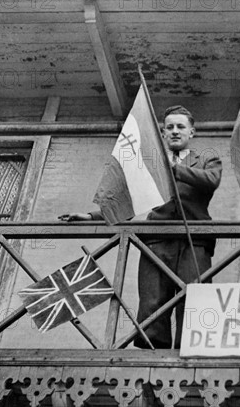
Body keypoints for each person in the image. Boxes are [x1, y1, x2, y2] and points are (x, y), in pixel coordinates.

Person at [60, 105, 222, 349]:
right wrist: (93, 216)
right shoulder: (151, 164)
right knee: (153, 300)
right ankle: (151, 354)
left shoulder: (207, 158)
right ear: (163, 134)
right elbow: (130, 198)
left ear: (192, 132)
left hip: (194, 240)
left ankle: (192, 353)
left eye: (181, 127)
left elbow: (212, 180)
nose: (175, 131)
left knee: (194, 300)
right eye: (169, 128)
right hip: (156, 239)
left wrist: (175, 170)